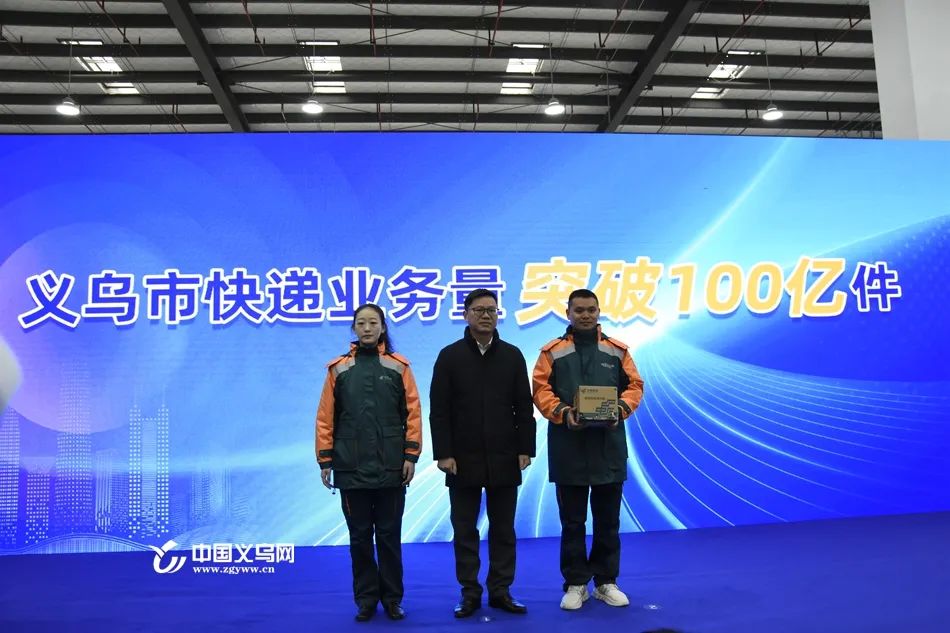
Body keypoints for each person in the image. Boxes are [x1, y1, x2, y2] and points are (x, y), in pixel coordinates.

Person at [532, 289, 644, 611]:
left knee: (608, 522)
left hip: (609, 448)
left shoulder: (617, 351)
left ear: (599, 311)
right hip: (569, 448)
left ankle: (606, 582)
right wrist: (564, 413)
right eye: (578, 310)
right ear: (567, 312)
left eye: (590, 309)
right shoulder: (552, 353)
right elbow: (540, 390)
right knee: (573, 522)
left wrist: (619, 409)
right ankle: (576, 583)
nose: (585, 315)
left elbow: (635, 386)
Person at [429, 288, 536, 618]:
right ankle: (470, 593)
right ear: (466, 315)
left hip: (505, 455)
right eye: (478, 310)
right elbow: (439, 410)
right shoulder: (449, 356)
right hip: (461, 459)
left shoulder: (513, 355)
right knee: (465, 530)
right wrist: (443, 453)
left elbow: (524, 406)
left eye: (491, 309)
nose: (486, 315)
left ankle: (501, 590)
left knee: (503, 529)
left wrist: (525, 448)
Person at [315, 303, 422, 622]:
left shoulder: (399, 367)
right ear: (354, 328)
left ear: (382, 327)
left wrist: (411, 455)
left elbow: (413, 414)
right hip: (350, 467)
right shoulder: (338, 370)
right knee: (360, 538)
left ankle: (392, 599)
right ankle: (365, 599)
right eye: (360, 323)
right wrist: (325, 459)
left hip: (391, 467)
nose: (366, 328)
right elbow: (325, 418)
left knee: (389, 536)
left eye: (373, 322)